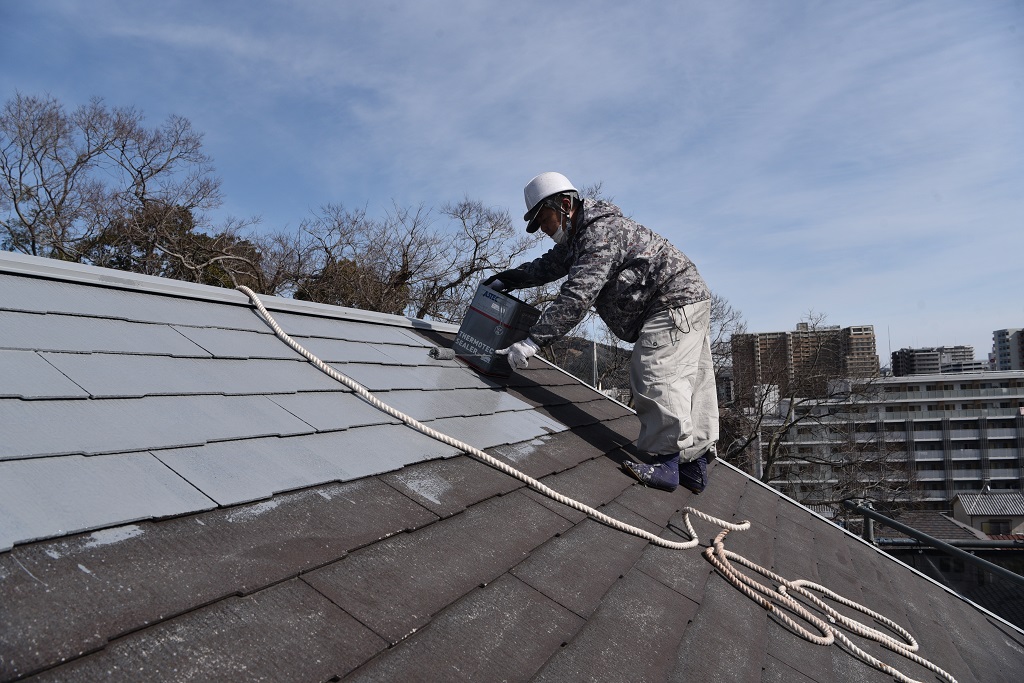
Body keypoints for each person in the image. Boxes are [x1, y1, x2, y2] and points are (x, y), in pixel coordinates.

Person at [486, 172, 718, 494]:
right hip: (687, 298)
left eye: (544, 220)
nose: (543, 230)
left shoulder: (600, 234)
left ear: (564, 205)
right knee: (692, 380)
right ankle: (693, 465)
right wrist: (509, 278)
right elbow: (548, 266)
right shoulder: (580, 236)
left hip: (671, 301)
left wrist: (532, 342)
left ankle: (667, 464)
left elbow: (578, 295)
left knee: (657, 371)